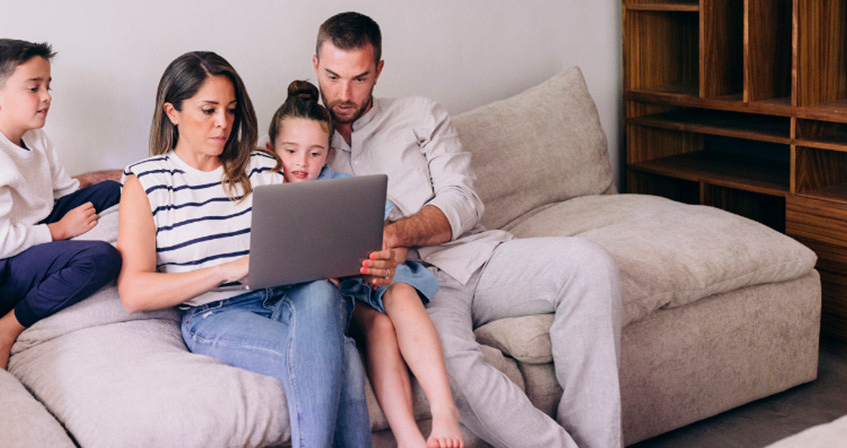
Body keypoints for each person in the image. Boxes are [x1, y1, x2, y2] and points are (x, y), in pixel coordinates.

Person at [312, 12, 624, 448]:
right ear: (315, 66)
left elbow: (463, 198)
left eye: (360, 78)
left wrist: (395, 232)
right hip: (413, 290)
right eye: (333, 76)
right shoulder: (305, 144)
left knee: (591, 264)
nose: (344, 94)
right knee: (450, 361)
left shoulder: (419, 115)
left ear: (379, 70)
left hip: (478, 257)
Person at [116, 51, 382, 447]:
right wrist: (228, 269)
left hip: (288, 295)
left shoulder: (261, 166)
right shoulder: (147, 182)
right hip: (215, 314)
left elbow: (309, 237)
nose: (223, 123)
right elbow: (134, 292)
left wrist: (338, 259)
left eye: (230, 109)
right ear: (172, 112)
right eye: (208, 110)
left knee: (323, 292)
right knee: (341, 357)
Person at [265, 80, 463, 448]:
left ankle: (442, 412)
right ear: (271, 149)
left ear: (328, 152)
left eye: (315, 153)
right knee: (380, 328)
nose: (302, 163)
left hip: (361, 281)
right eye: (291, 151)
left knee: (401, 292)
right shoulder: (264, 191)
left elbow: (390, 237)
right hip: (322, 297)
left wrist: (387, 260)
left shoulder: (342, 186)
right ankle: (407, 435)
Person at [0, 38, 123, 370]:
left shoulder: (34, 136)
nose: (47, 96)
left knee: (112, 191)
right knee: (101, 258)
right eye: (33, 88)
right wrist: (59, 231)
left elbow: (62, 190)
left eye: (48, 86)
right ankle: (5, 327)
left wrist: (116, 180)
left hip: (32, 228)